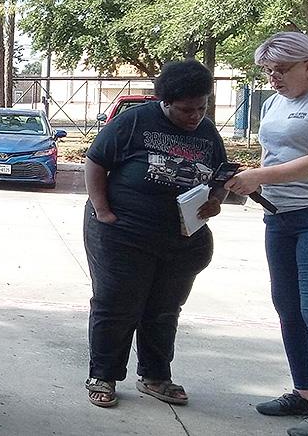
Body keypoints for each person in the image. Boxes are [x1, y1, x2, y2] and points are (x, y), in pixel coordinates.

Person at [224, 32, 308, 436]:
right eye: (268, 70)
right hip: (280, 216)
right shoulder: (273, 102)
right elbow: (275, 153)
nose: (273, 78)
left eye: (282, 69)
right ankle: (305, 394)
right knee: (288, 310)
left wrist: (257, 177)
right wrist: (246, 180)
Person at [82, 59, 227, 408]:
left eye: (201, 108)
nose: (194, 116)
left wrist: (215, 202)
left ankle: (156, 376)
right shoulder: (135, 122)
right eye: (185, 110)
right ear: (165, 101)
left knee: (164, 309)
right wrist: (103, 211)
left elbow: (220, 176)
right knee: (116, 304)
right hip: (121, 233)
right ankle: (103, 374)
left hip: (180, 239)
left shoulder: (207, 132)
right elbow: (95, 162)